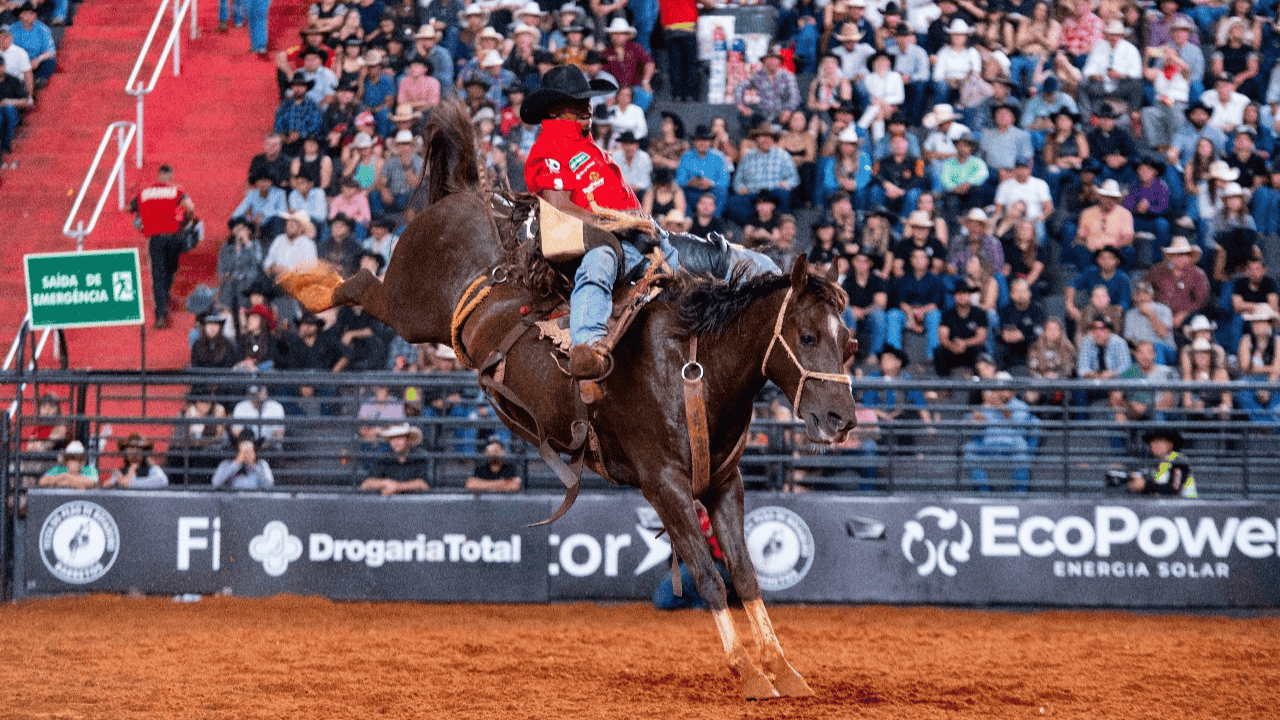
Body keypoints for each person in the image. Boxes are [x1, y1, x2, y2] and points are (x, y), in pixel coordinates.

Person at [521, 65, 778, 378]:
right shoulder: (548, 148)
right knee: (598, 262)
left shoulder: (587, 146)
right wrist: (617, 226)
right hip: (598, 240)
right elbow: (559, 207)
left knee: (718, 255)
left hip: (644, 235)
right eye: (577, 101)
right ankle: (586, 346)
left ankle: (782, 284)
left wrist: (636, 225)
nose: (588, 106)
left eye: (587, 99)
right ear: (555, 109)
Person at [131, 164, 196, 330]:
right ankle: (164, 299)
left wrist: (142, 223)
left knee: (158, 275)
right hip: (174, 236)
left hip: (156, 239)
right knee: (171, 268)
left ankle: (160, 313)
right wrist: (185, 222)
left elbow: (130, 208)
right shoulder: (176, 191)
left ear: (159, 175)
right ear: (171, 176)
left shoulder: (145, 192)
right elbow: (190, 207)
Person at [963, 372, 1036, 492]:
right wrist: (977, 419)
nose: (1001, 391)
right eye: (998, 387)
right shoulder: (985, 405)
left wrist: (1002, 408)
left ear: (1012, 390)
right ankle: (984, 492)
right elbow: (969, 419)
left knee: (1022, 451)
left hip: (1012, 444)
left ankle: (1019, 494)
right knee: (969, 449)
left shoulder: (1020, 406)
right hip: (988, 444)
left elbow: (1021, 425)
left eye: (1005, 387)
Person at [934, 281, 988, 377]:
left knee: (981, 350)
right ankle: (944, 387)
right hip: (952, 350)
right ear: (955, 296)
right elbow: (942, 337)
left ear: (969, 295)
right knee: (939, 351)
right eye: (959, 294)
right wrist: (951, 346)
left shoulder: (979, 313)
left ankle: (978, 384)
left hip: (970, 349)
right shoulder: (947, 314)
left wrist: (964, 343)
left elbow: (981, 337)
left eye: (965, 293)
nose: (962, 297)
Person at [360, 423, 430, 495]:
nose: (396, 442)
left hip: (412, 503)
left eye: (400, 437)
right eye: (393, 438)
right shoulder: (384, 458)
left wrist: (397, 487)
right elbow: (366, 484)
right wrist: (385, 483)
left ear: (408, 439)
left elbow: (423, 485)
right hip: (388, 504)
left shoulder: (418, 458)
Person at [1128, 429, 1198, 497]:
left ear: (1170, 444)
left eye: (1160, 441)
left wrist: (1145, 485)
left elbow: (1174, 488)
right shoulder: (1155, 462)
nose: (1156, 445)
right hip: (1163, 505)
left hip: (1185, 504)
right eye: (1153, 442)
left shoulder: (1178, 460)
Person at [211, 430, 276, 489]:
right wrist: (236, 463)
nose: (246, 454)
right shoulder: (227, 464)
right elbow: (215, 483)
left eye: (249, 450)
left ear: (254, 451)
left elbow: (269, 485)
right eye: (243, 451)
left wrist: (253, 465)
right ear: (238, 450)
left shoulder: (262, 464)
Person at [231, 384, 287, 450]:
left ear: (266, 393)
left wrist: (262, 444)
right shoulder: (241, 407)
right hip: (249, 448)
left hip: (270, 449)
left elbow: (279, 435)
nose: (257, 397)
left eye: (259, 393)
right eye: (254, 394)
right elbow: (236, 432)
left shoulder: (276, 407)